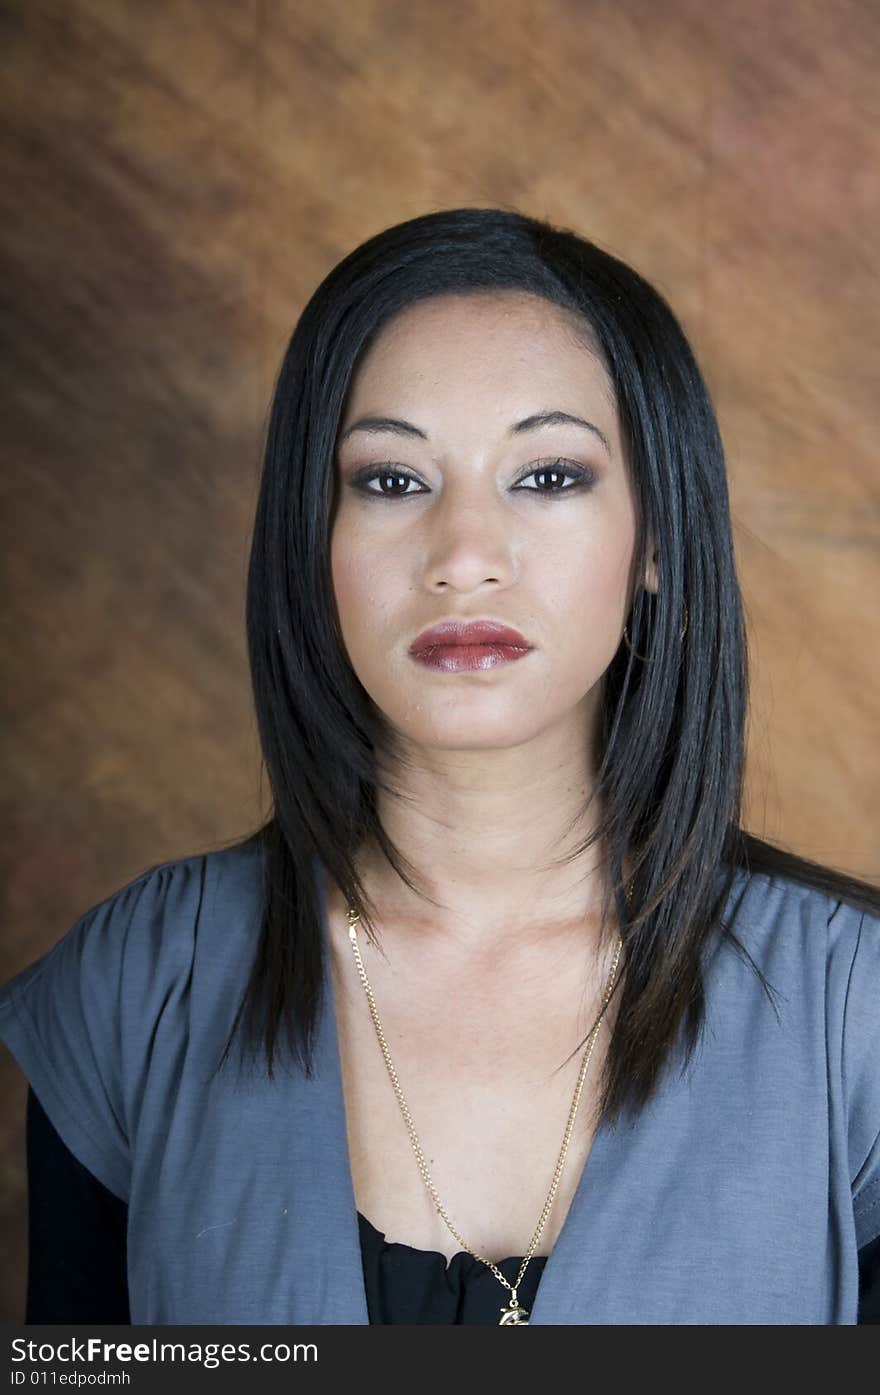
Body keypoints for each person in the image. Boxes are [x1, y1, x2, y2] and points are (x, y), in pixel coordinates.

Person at [2, 207, 878, 1326]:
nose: (465, 557)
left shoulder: (855, 1017)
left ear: (655, 537)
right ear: (310, 538)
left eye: (549, 476)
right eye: (392, 481)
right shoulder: (144, 987)